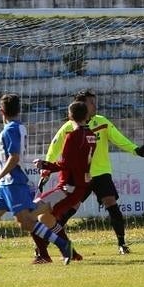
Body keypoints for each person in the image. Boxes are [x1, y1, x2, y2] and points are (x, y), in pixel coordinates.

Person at [38, 89, 144, 257]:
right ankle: (46, 246)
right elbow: (54, 148)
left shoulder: (102, 122)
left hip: (100, 173)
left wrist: (136, 150)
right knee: (67, 211)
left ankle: (122, 244)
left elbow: (118, 139)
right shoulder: (68, 128)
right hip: (80, 176)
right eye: (91, 102)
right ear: (82, 105)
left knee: (112, 204)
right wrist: (47, 169)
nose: (95, 105)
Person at [0, 93, 73, 267]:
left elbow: (15, 157)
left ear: (1, 110)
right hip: (5, 184)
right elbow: (10, 156)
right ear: (19, 109)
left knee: (26, 222)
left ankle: (63, 245)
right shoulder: (15, 127)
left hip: (13, 182)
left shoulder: (11, 129)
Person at [30, 101, 97, 264]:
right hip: (79, 187)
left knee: (29, 214)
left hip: (68, 188)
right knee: (46, 218)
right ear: (87, 116)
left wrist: (45, 164)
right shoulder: (92, 136)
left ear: (69, 116)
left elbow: (65, 164)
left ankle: (44, 255)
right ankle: (68, 251)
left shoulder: (72, 136)